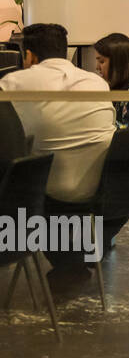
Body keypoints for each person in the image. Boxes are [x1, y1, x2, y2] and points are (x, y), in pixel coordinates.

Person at [0, 23, 117, 289]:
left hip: (47, 192)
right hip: (106, 188)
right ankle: (74, 259)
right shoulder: (95, 81)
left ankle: (68, 263)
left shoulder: (12, 82)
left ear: (29, 55)